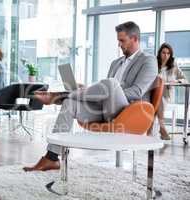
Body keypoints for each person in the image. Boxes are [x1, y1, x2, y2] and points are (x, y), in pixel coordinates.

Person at [23, 21, 158, 172]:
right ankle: (52, 158)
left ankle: (57, 96)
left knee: (110, 83)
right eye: (118, 41)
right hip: (105, 109)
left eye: (122, 41)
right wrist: (89, 90)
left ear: (134, 39)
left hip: (130, 112)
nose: (119, 45)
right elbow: (105, 90)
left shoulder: (148, 60)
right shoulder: (116, 62)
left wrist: (109, 90)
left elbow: (137, 91)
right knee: (70, 103)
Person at [156, 43, 187, 140]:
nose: (166, 56)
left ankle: (162, 128)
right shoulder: (154, 65)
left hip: (166, 95)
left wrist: (177, 80)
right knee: (157, 100)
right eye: (163, 53)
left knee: (159, 101)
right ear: (159, 53)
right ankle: (161, 129)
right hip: (154, 93)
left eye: (168, 53)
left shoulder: (173, 67)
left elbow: (184, 79)